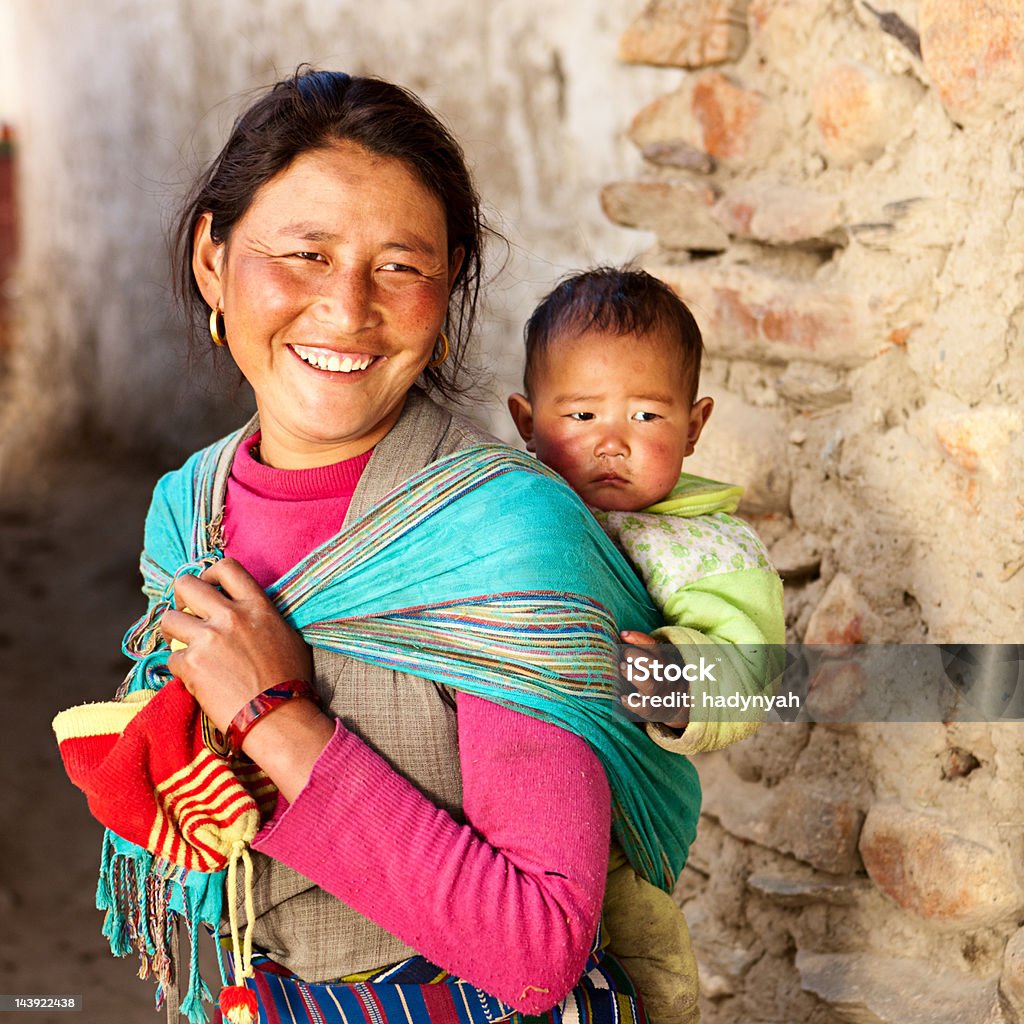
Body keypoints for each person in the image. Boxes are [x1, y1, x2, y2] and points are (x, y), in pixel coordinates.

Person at [58, 71, 709, 1024]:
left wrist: (275, 719)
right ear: (214, 259)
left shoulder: (504, 535)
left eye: (401, 266)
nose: (349, 305)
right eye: (307, 253)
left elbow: (536, 952)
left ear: (447, 293)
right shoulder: (188, 516)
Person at [507, 267, 786, 1024]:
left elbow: (753, 671)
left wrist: (675, 675)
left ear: (694, 427)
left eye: (647, 417)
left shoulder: (711, 549)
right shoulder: (510, 518)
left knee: (641, 964)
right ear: (525, 420)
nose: (613, 443)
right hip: (501, 790)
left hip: (620, 827)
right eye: (584, 413)